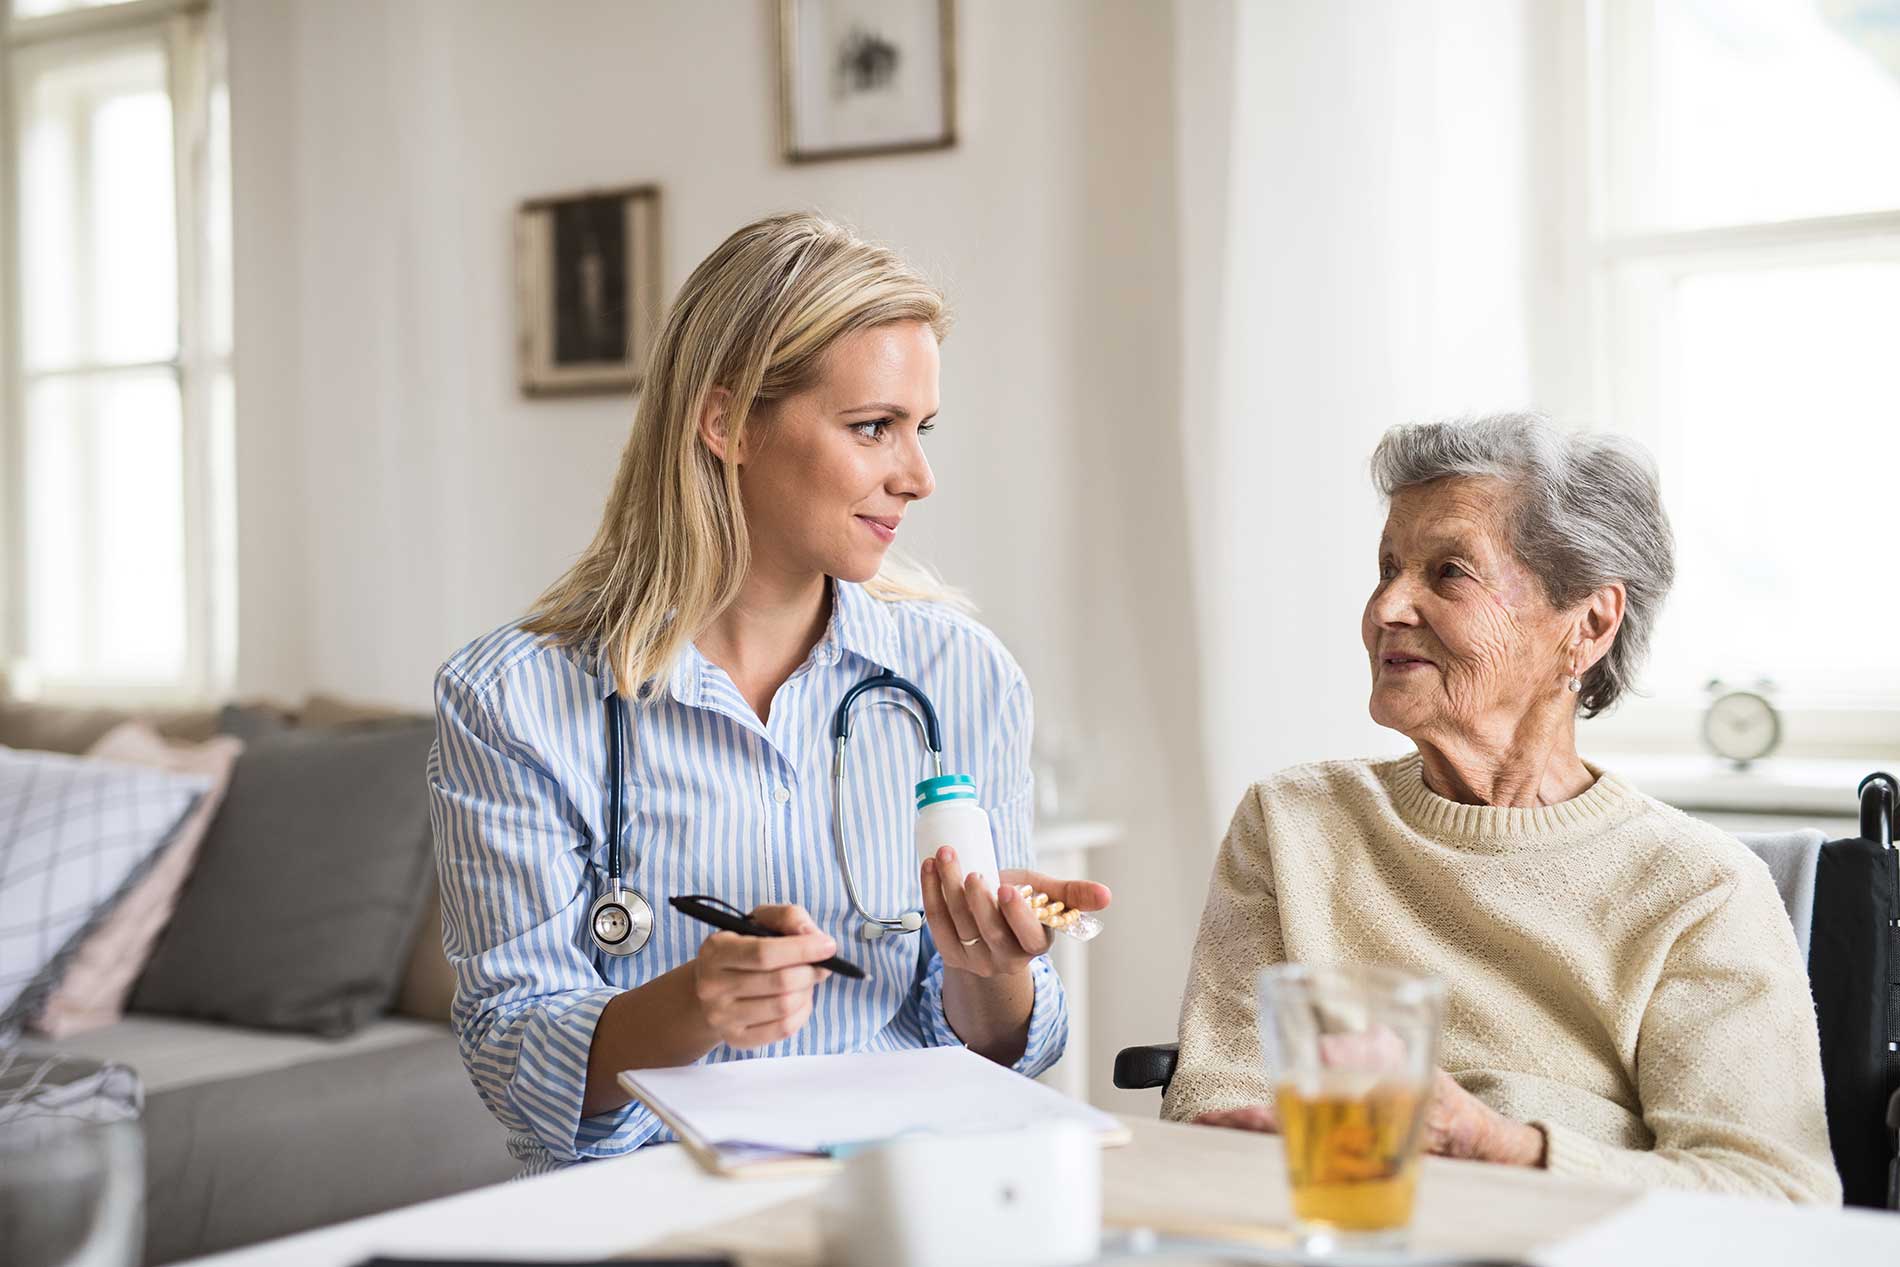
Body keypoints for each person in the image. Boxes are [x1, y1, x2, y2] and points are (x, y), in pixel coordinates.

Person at [428, 211, 1109, 1173]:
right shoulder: (512, 700)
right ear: (727, 421)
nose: (917, 475)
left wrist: (989, 964)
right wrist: (690, 1005)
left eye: (921, 429)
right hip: (652, 1204)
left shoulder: (964, 676)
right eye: (874, 427)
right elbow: (511, 1055)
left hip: (901, 1193)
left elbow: (1000, 1049)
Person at [1163, 413, 1840, 1204]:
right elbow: (1218, 1106)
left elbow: (1777, 1193)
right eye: (1387, 567)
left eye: (1447, 571)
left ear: (1588, 624)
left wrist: (1508, 1151)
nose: (1386, 607)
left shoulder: (1701, 888)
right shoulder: (1293, 821)